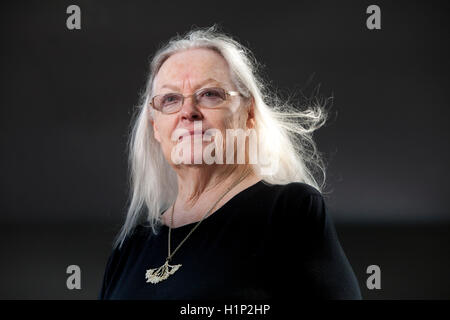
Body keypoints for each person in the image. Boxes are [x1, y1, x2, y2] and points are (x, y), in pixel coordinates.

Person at [98, 25, 362, 300]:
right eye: (170, 99)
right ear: (155, 126)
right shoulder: (130, 247)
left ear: (249, 114)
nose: (188, 112)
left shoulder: (290, 213)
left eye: (210, 94)